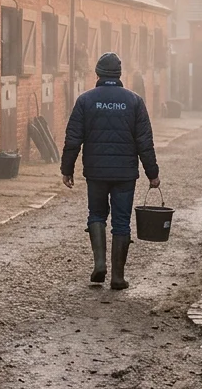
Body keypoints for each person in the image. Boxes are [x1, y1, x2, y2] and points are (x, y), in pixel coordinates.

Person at [60, 52, 159, 290]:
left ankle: (100, 264)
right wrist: (152, 173)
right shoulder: (134, 101)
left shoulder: (85, 100)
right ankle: (117, 277)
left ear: (97, 73)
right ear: (119, 73)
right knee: (122, 222)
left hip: (95, 171)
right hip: (125, 173)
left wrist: (67, 168)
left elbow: (73, 138)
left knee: (96, 214)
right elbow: (144, 141)